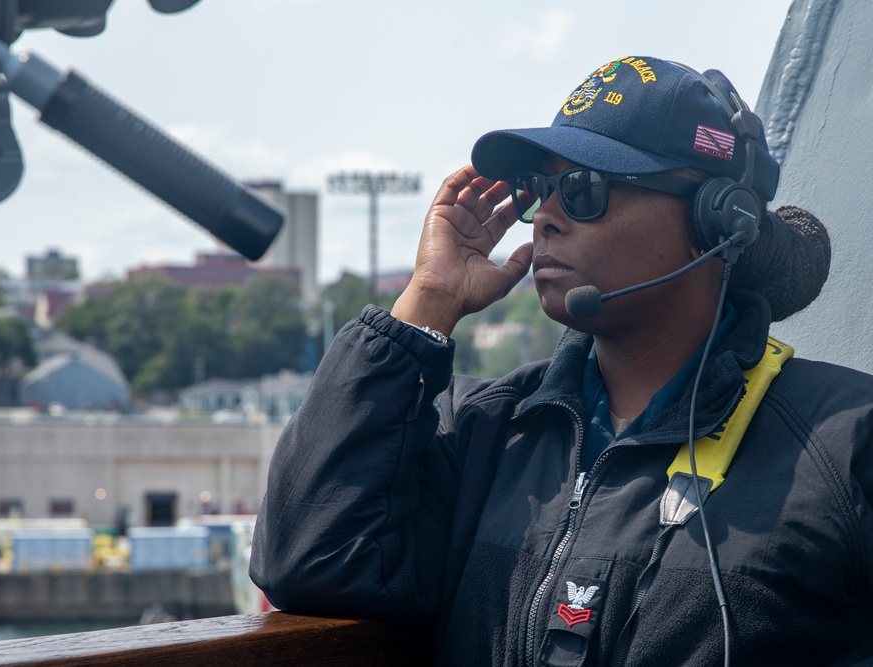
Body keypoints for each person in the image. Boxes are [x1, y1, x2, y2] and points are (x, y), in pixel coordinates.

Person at [249, 56, 873, 666]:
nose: (543, 217)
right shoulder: (484, 431)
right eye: (538, 191)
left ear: (716, 222)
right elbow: (310, 561)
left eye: (583, 190)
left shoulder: (846, 443)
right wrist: (428, 303)